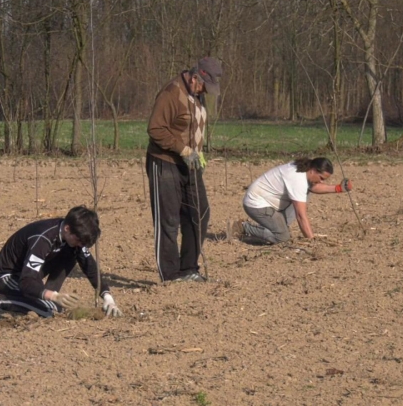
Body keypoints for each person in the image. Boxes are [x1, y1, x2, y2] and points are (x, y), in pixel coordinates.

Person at [145, 57, 223, 282]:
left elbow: (194, 126)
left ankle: (189, 269)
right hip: (165, 162)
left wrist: (198, 151)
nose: (205, 92)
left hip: (190, 164)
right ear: (196, 76)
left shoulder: (197, 94)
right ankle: (170, 276)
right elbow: (155, 129)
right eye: (204, 87)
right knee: (168, 220)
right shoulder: (172, 93)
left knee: (200, 213)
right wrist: (184, 150)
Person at [0, 206, 122, 320]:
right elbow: (27, 281)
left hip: (29, 274)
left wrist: (107, 297)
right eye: (79, 240)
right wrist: (53, 296)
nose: (80, 244)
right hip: (9, 277)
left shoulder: (72, 238)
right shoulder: (43, 239)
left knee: (72, 253)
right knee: (47, 311)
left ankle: (48, 301)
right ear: (67, 229)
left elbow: (89, 265)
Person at [240, 157, 353, 244]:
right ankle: (243, 228)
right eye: (321, 178)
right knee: (282, 237)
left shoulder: (304, 171)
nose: (322, 182)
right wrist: (311, 240)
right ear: (313, 170)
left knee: (305, 194)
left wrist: (338, 188)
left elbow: (313, 187)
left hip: (270, 202)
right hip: (256, 204)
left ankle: (271, 228)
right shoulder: (297, 179)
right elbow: (300, 216)